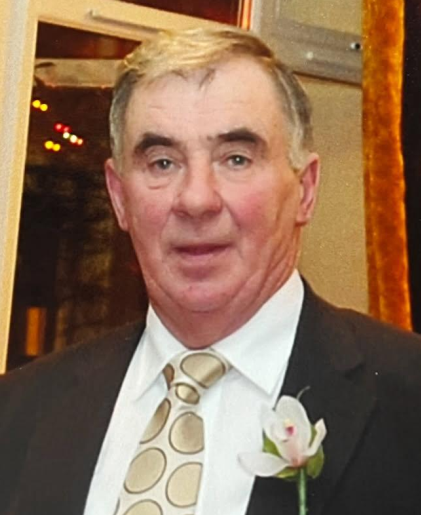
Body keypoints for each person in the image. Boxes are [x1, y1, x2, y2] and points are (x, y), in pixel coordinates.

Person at [1, 27, 421, 515]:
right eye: (162, 163)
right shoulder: (18, 414)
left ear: (305, 190)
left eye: (236, 159)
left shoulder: (407, 402)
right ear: (119, 197)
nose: (196, 200)